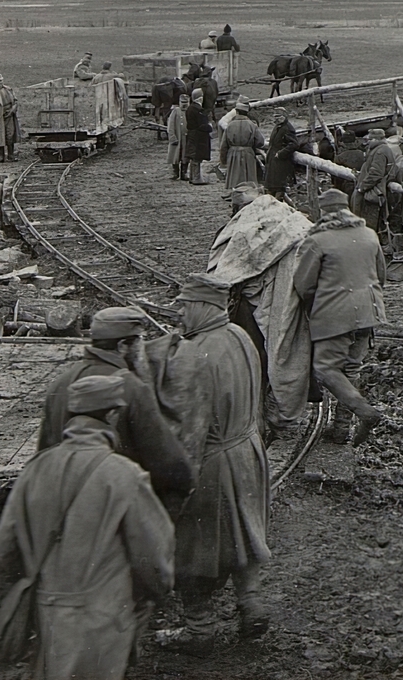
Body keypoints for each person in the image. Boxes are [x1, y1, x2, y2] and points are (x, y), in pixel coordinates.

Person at [0, 375, 175, 680]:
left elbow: (4, 553)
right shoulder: (125, 475)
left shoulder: (35, 470)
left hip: (48, 619)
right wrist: (155, 596)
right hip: (105, 622)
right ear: (112, 416)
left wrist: (5, 603)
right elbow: (153, 556)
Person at [164, 274, 272, 647]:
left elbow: (189, 431)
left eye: (183, 304)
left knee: (194, 547)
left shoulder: (192, 355)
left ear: (201, 306)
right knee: (245, 531)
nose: (178, 311)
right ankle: (251, 603)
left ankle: (199, 630)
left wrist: (177, 482)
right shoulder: (240, 336)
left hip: (213, 463)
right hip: (249, 451)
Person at [37, 307, 194, 512]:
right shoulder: (131, 388)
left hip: (64, 507)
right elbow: (166, 461)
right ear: (122, 346)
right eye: (139, 341)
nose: (142, 347)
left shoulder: (59, 384)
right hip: (113, 508)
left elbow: (44, 450)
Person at [208, 185, 315, 431]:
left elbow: (220, 272)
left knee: (249, 364)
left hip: (245, 311)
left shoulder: (232, 231)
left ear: (237, 209)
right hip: (284, 306)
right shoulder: (293, 224)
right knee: (279, 357)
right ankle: (271, 412)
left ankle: (253, 420)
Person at [291, 188, 387, 446]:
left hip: (335, 315)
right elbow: (381, 275)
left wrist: (317, 309)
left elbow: (304, 285)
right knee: (351, 368)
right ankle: (341, 429)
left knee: (325, 368)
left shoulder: (317, 240)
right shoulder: (369, 235)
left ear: (323, 212)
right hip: (369, 312)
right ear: (347, 209)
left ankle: (365, 412)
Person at [352, 127, 403, 229]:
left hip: (373, 190)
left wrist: (362, 187)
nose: (368, 142)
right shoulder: (381, 149)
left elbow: (376, 173)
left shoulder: (380, 152)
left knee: (366, 218)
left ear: (376, 140)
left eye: (370, 140)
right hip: (375, 188)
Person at [220, 100, 265, 191]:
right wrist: (252, 146)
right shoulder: (251, 125)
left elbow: (223, 145)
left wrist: (223, 160)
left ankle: (234, 192)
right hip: (248, 153)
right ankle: (248, 193)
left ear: (237, 112)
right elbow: (260, 141)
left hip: (233, 153)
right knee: (248, 175)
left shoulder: (230, 125)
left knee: (234, 175)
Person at [263, 117, 299, 201]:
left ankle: (277, 203)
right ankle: (270, 203)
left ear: (283, 117)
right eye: (274, 116)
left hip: (281, 162)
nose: (275, 119)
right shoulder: (278, 126)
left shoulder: (288, 128)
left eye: (277, 117)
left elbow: (294, 144)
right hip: (273, 160)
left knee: (279, 186)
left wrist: (281, 153)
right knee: (271, 185)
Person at [184, 90, 212, 185]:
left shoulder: (190, 108)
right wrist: (209, 127)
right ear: (200, 98)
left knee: (193, 157)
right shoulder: (198, 110)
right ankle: (197, 178)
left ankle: (193, 177)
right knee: (197, 157)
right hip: (199, 136)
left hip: (192, 134)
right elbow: (202, 125)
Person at [167, 93, 190, 181]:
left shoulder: (189, 111)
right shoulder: (176, 111)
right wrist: (172, 136)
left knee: (185, 155)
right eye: (182, 102)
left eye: (186, 102)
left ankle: (184, 173)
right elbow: (171, 125)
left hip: (186, 138)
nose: (184, 104)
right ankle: (175, 172)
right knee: (175, 155)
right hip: (177, 137)